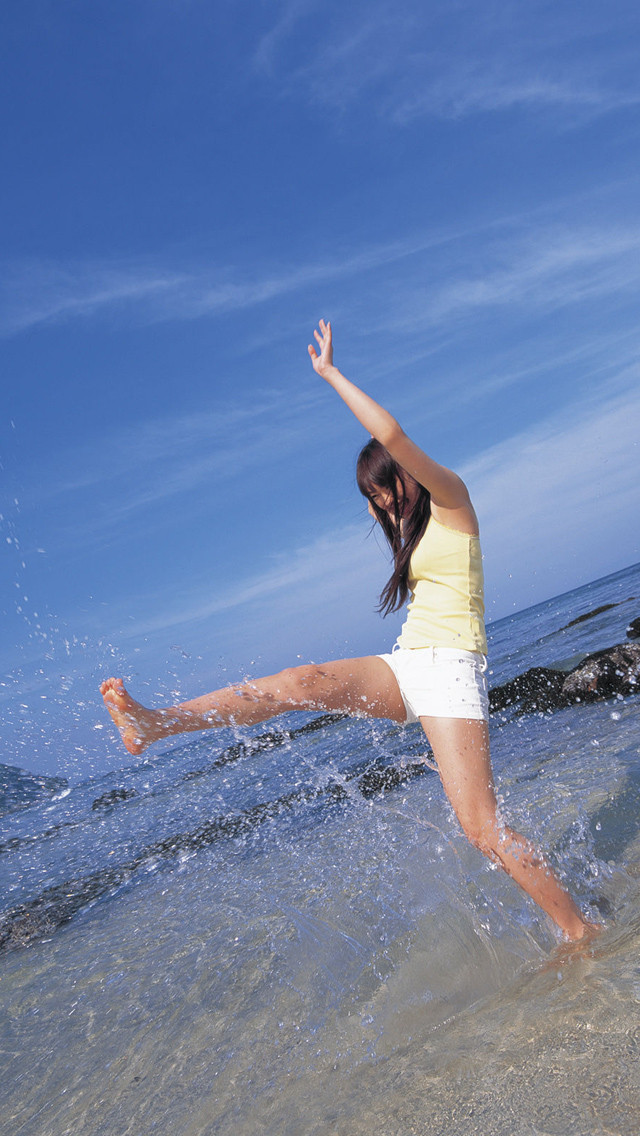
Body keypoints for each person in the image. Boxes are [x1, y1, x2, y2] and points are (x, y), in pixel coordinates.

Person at [101, 319, 594, 941]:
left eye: (387, 490)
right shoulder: (408, 534)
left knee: (480, 829)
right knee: (299, 680)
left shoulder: (452, 501)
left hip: (452, 671)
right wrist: (378, 502)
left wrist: (331, 374)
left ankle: (579, 932)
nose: (384, 505)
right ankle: (157, 721)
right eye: (373, 499)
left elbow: (389, 433)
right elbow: (386, 503)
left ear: (407, 475)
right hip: (410, 662)